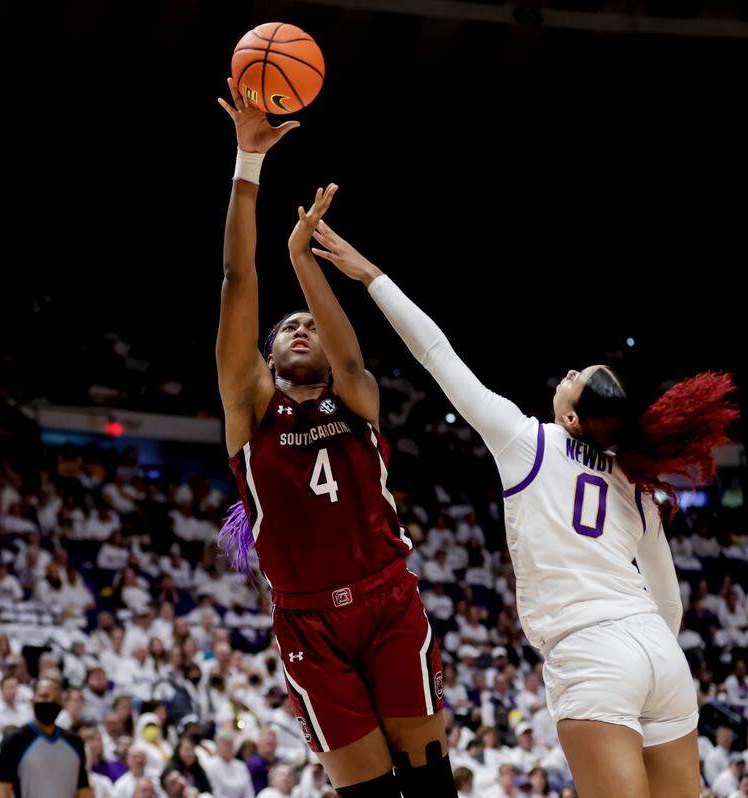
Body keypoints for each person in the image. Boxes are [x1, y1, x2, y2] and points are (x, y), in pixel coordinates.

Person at [307, 204, 738, 798]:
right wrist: (647, 648)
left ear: (570, 415)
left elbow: (436, 354)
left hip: (591, 651)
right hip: (661, 653)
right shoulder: (634, 479)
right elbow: (670, 605)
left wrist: (370, 276)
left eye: (576, 375)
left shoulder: (527, 440)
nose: (567, 371)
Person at [213, 80, 450, 798]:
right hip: (307, 620)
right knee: (369, 789)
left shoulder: (357, 397)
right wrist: (247, 166)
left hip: (388, 600)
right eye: (286, 328)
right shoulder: (249, 408)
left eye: (309, 323)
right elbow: (234, 277)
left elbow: (349, 357)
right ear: (267, 355)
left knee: (429, 779)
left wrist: (305, 261)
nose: (301, 328)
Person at [0, 679, 91, 798]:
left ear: (62, 704)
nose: (50, 701)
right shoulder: (14, 741)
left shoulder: (75, 743)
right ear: (32, 700)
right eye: (44, 696)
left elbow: (83, 789)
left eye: (56, 699)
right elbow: (3, 791)